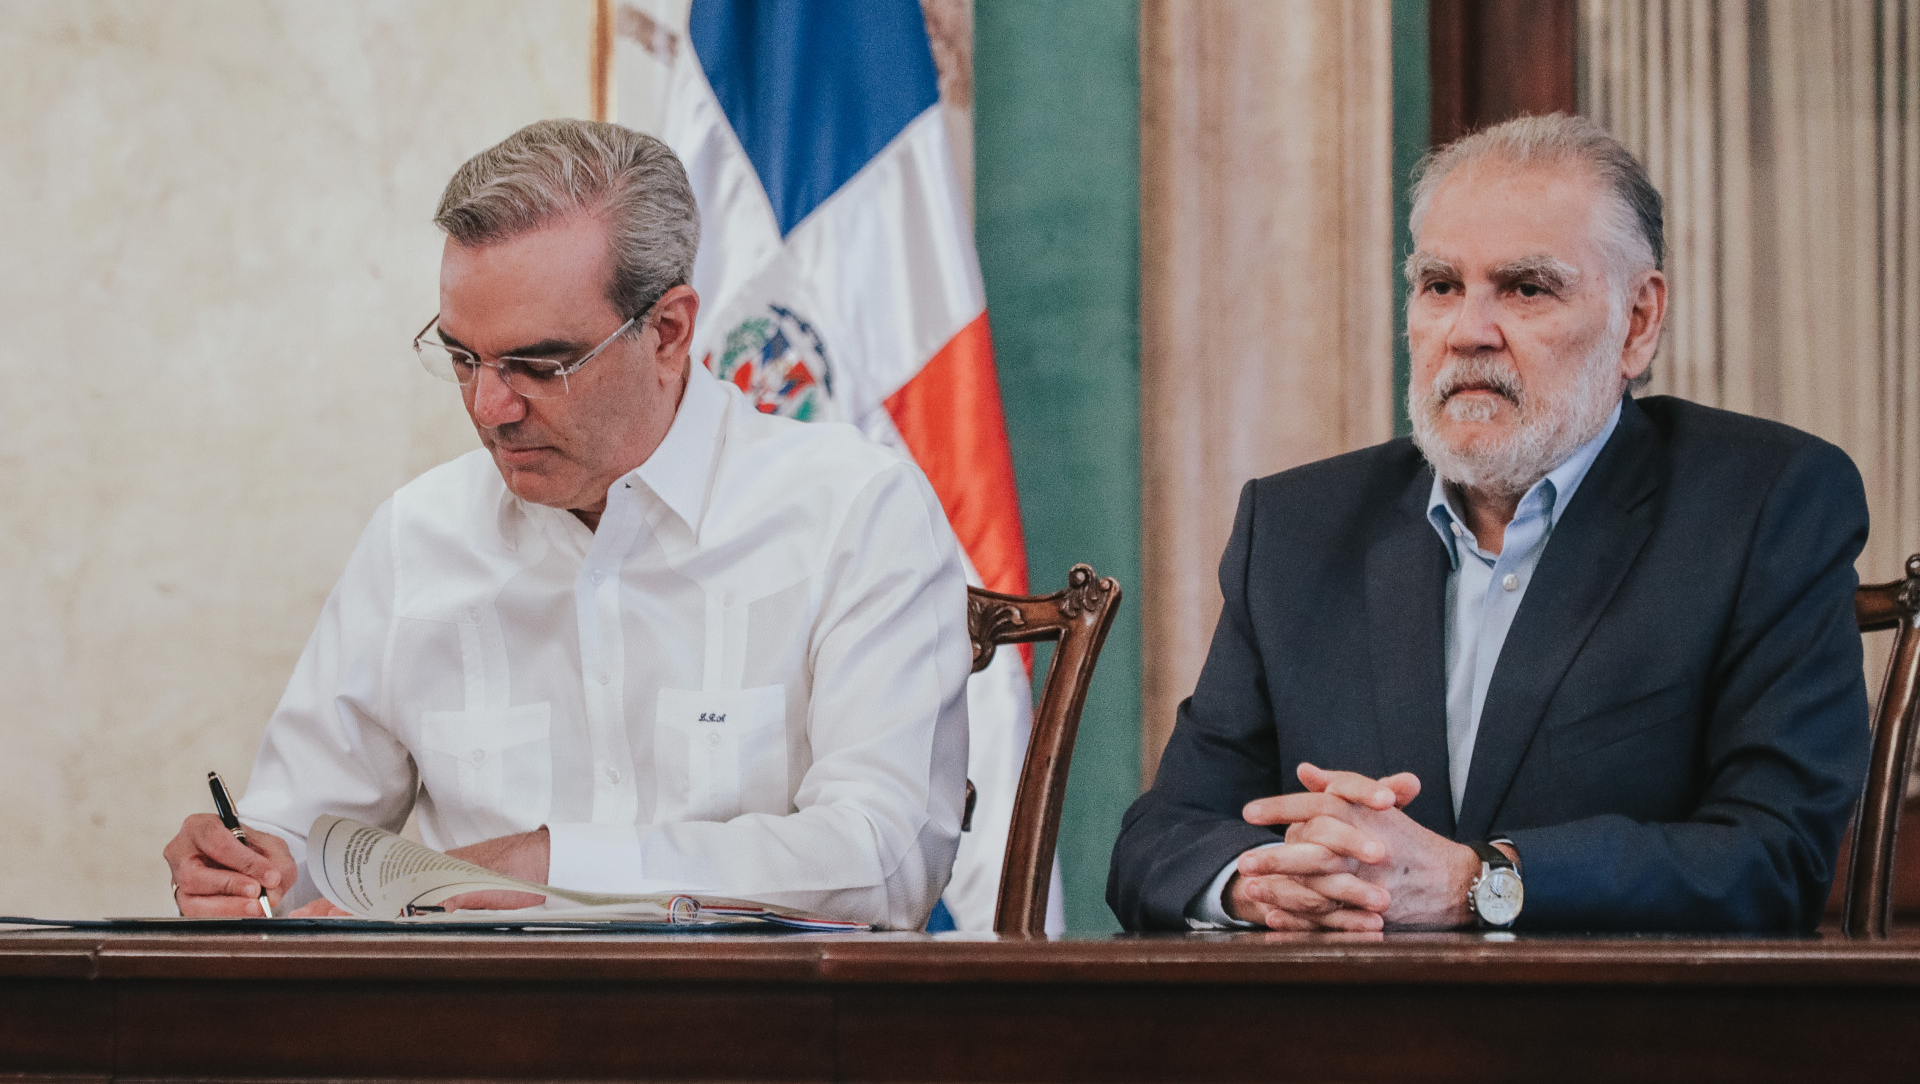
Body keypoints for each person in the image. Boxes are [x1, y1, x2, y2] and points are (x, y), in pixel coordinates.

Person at [162, 120, 972, 928]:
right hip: (462, 1011)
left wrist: (550, 870)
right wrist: (247, 872)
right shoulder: (417, 537)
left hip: (749, 1012)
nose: (490, 407)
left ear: (668, 332)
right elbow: (299, 849)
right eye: (462, 358)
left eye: (538, 365)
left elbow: (882, 857)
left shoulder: (853, 515)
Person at [1108, 113, 1871, 934]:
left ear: (1638, 321)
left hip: (1620, 1012)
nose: (1468, 333)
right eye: (1440, 286)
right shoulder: (1298, 528)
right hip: (1343, 1012)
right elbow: (1159, 840)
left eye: (1526, 288)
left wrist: (1479, 882)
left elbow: (1775, 854)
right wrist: (1257, 884)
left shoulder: (1766, 505)